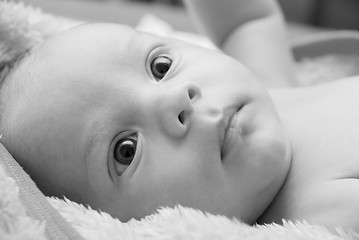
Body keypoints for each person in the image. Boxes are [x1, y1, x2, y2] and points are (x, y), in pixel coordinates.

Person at [0, 0, 358, 234]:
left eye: (160, 66)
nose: (176, 101)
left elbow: (246, 21)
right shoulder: (321, 214)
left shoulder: (267, 86)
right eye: (126, 150)